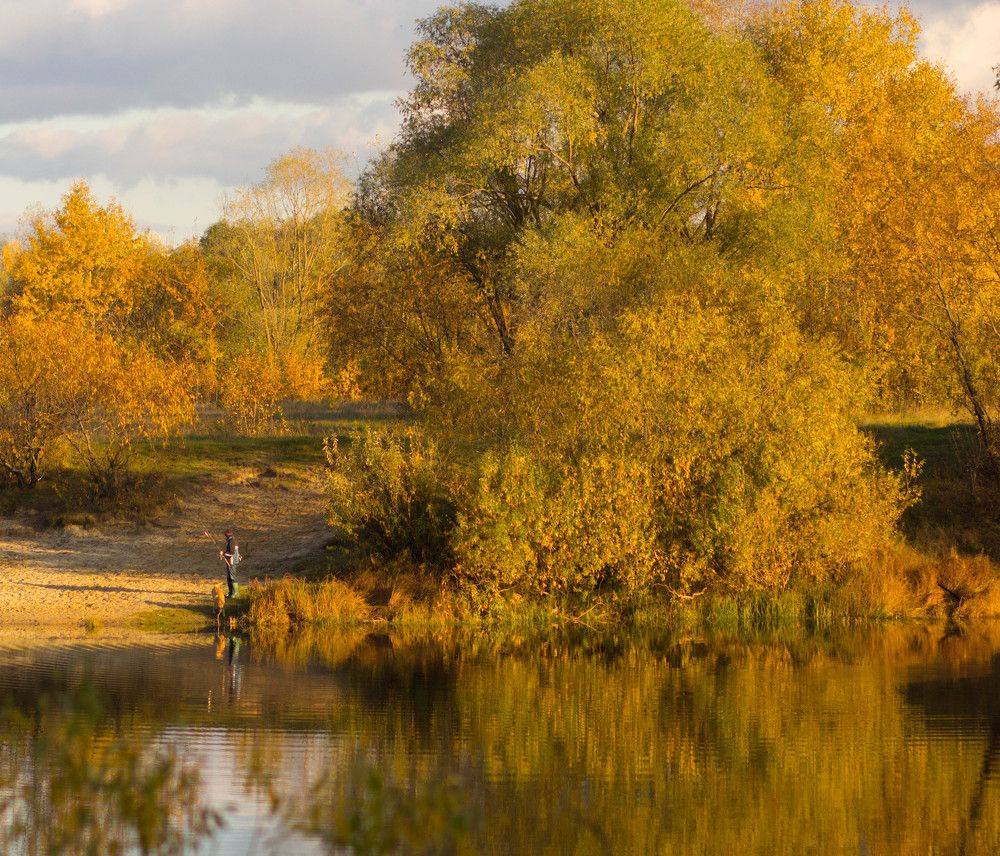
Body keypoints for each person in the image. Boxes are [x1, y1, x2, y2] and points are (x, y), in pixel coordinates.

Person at [220, 529, 239, 598]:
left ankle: (235, 593)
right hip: (230, 561)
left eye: (225, 536)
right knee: (229, 577)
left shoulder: (231, 542)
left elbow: (232, 553)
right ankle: (230, 593)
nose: (225, 537)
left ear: (227, 536)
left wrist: (224, 553)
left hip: (232, 562)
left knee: (232, 577)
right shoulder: (232, 541)